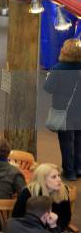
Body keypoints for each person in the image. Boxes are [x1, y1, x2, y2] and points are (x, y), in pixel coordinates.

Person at [44, 38, 81, 181]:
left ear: (64, 51)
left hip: (63, 110)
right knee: (79, 139)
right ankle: (79, 168)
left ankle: (69, 171)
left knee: (66, 141)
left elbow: (48, 88)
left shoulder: (58, 68)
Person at [12, 163, 72, 231]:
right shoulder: (28, 193)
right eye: (54, 177)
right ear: (43, 180)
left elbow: (66, 217)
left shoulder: (63, 189)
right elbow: (17, 218)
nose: (59, 180)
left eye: (58, 176)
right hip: (30, 232)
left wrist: (55, 229)